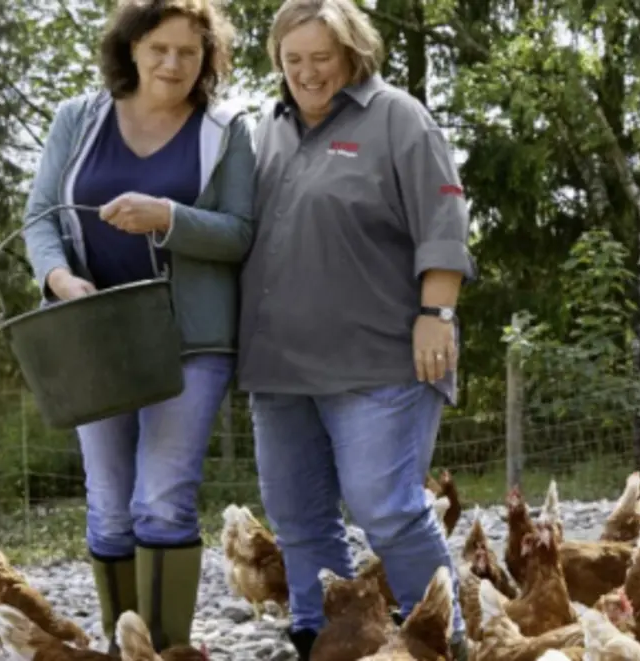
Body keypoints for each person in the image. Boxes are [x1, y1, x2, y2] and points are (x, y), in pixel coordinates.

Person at [237, 0, 476, 658]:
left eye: (322, 58)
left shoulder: (397, 117)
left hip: (382, 360)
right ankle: (324, 638)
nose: (308, 73)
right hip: (280, 367)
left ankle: (445, 638)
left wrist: (437, 313)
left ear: (353, 55)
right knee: (298, 517)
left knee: (388, 506)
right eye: (293, 60)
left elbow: (444, 220)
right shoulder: (269, 129)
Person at [18, 0, 255, 653]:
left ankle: (167, 648)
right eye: (159, 49)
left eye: (189, 51)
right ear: (130, 49)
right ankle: (124, 647)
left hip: (191, 341)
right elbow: (40, 218)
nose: (173, 64)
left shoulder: (225, 131)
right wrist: (60, 280)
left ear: (208, 57)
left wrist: (167, 217)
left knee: (164, 499)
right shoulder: (79, 119)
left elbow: (241, 233)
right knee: (110, 505)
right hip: (94, 337)